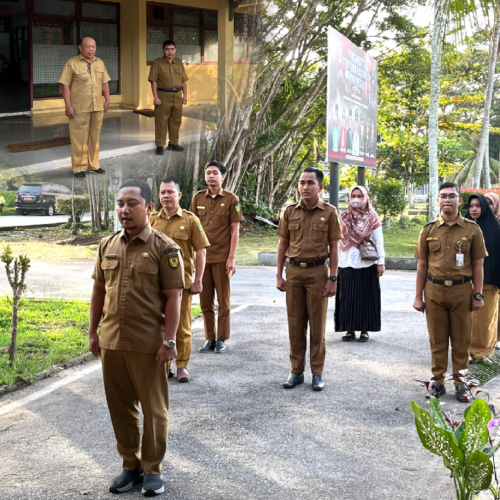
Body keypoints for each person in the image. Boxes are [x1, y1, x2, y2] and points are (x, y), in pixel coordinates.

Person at [88, 179, 185, 496]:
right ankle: (130, 466)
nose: (124, 210)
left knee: (154, 410)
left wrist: (170, 341)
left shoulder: (165, 248)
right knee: (120, 408)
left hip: (148, 344)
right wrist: (93, 332)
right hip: (112, 341)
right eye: (120, 204)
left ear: (149, 207)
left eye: (132, 203)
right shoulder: (107, 245)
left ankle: (152, 469)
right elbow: (99, 290)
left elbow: (174, 298)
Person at [413, 182, 487, 403]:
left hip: (462, 291)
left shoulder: (472, 230)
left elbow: (478, 265)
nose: (447, 200)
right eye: (443, 196)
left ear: (459, 201)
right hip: (434, 290)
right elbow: (422, 266)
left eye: (452, 196)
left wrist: (478, 295)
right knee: (437, 340)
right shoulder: (428, 230)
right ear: (437, 200)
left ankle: (461, 383)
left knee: (461, 340)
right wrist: (418, 296)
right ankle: (438, 381)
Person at [276, 167, 343, 391]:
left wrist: (333, 277)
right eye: (302, 182)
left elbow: (334, 247)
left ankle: (317, 373)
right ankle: (296, 371)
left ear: (320, 187)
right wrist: (279, 273)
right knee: (295, 325)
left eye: (310, 183)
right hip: (293, 272)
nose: (305, 187)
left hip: (317, 273)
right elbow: (283, 243)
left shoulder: (330, 212)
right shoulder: (289, 211)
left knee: (317, 325)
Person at [150, 176, 210, 382]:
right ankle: (164, 365)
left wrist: (198, 280)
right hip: (155, 284)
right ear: (159, 196)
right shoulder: (151, 220)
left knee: (182, 326)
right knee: (159, 325)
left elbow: (201, 251)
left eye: (170, 192)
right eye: (163, 192)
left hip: (181, 283)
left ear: (179, 195)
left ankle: (182, 365)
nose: (166, 196)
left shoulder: (190, 220)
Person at [189, 161, 243, 353]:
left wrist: (231, 258)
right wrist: (192, 257)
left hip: (221, 257)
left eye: (215, 173)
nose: (211, 176)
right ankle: (209, 337)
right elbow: (192, 228)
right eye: (208, 173)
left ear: (223, 176)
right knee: (205, 301)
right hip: (202, 258)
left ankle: (221, 338)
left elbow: (235, 230)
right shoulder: (197, 198)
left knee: (223, 301)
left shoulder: (231, 199)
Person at [335, 186, 385, 342]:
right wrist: (336, 264)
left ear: (365, 197)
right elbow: (337, 242)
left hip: (366, 263)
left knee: (364, 298)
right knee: (347, 297)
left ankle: (364, 330)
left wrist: (381, 262)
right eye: (353, 196)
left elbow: (378, 241)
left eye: (359, 196)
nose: (356, 199)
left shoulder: (372, 217)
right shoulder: (343, 216)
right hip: (346, 263)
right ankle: (349, 329)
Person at [58, 37, 110, 181]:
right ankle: (79, 167)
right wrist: (68, 106)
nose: (91, 49)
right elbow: (65, 86)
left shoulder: (100, 63)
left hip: (97, 106)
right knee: (78, 138)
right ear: (80, 48)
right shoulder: (71, 64)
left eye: (93, 46)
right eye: (88, 47)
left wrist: (107, 100)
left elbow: (104, 83)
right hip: (79, 108)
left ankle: (94, 165)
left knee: (95, 137)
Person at [465, 194, 500, 360]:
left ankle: (483, 352)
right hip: (465, 281)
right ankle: (466, 351)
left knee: (485, 320)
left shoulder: (495, 228)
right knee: (467, 319)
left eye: (478, 206)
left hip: (489, 281)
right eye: (471, 206)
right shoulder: (462, 226)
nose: (474, 209)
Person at [148, 40, 189, 155]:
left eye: (172, 49)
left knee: (176, 121)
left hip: (177, 95)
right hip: (163, 95)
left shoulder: (179, 63)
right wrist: (155, 97)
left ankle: (173, 143)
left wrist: (185, 95)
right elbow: (153, 81)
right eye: (167, 49)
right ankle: (160, 145)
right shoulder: (157, 63)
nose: (170, 52)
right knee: (161, 121)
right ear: (163, 50)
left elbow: (184, 81)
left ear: (175, 50)